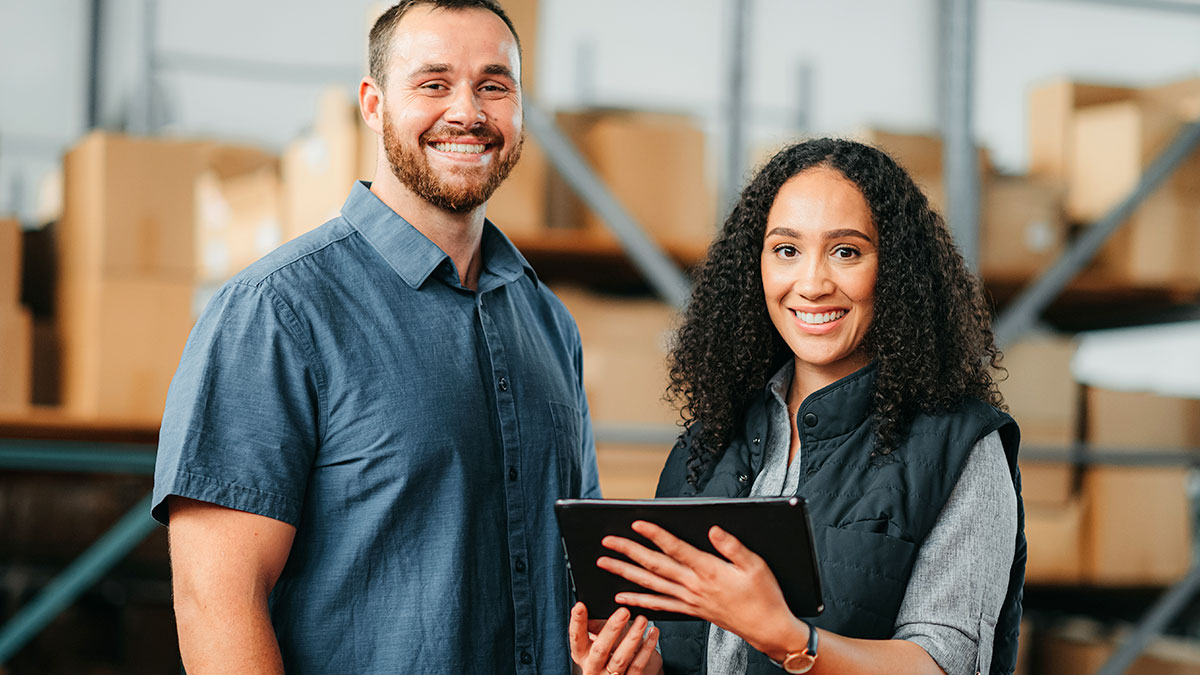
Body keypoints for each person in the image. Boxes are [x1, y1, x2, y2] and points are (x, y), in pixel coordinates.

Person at [152, 2, 610, 673]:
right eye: (433, 84)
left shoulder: (547, 322)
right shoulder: (275, 313)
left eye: (494, 85)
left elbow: (577, 572)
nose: (467, 112)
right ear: (372, 103)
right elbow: (215, 600)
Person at [569, 138, 1025, 675]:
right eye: (787, 250)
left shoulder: (962, 445)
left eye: (846, 251)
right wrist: (636, 669)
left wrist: (790, 639)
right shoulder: (709, 443)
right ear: (754, 267)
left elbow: (948, 664)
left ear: (897, 271)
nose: (811, 284)